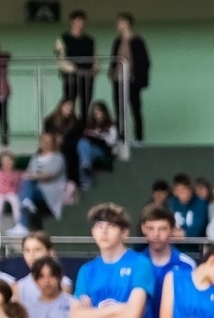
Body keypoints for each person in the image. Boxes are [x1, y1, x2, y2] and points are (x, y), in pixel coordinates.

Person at [108, 12, 150, 145]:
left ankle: (139, 138)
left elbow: (144, 61)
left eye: (120, 22)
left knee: (135, 108)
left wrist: (137, 77)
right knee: (119, 109)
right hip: (118, 79)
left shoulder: (137, 41)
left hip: (132, 79)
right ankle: (121, 137)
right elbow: (114, 58)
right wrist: (112, 72)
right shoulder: (117, 41)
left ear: (127, 23)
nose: (118, 25)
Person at [14, 133, 66, 235]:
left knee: (27, 185)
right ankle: (26, 205)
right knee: (26, 186)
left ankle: (23, 223)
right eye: (43, 141)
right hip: (34, 189)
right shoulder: (35, 157)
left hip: (50, 191)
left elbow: (49, 175)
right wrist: (31, 176)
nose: (45, 144)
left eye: (48, 141)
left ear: (53, 143)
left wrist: (33, 176)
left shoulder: (58, 157)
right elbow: (28, 172)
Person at [56, 10, 96, 116]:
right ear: (72, 22)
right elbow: (60, 59)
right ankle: (70, 124)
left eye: (82, 21)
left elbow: (95, 58)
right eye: (78, 21)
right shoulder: (63, 39)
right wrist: (75, 70)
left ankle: (83, 124)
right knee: (70, 102)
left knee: (86, 104)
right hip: (71, 77)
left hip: (87, 77)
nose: (80, 24)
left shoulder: (90, 40)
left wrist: (94, 70)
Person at [77, 101, 118, 190]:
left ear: (104, 112)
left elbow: (112, 142)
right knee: (82, 143)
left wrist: (100, 135)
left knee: (84, 154)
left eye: (99, 111)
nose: (97, 114)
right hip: (90, 147)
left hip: (102, 149)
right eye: (95, 112)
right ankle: (86, 166)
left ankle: (85, 179)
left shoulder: (111, 126)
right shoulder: (90, 125)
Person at [168, 172, 208, 241]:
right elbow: (165, 230)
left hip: (194, 246)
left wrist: (183, 234)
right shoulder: (170, 204)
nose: (186, 193)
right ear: (175, 192)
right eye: (181, 190)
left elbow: (198, 231)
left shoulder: (200, 204)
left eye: (188, 189)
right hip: (173, 246)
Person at [0, 150, 20, 226]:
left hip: (11, 193)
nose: (6, 163)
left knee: (16, 202)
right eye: (4, 161)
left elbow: (17, 185)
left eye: (9, 161)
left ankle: (18, 224)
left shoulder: (16, 173)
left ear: (13, 162)